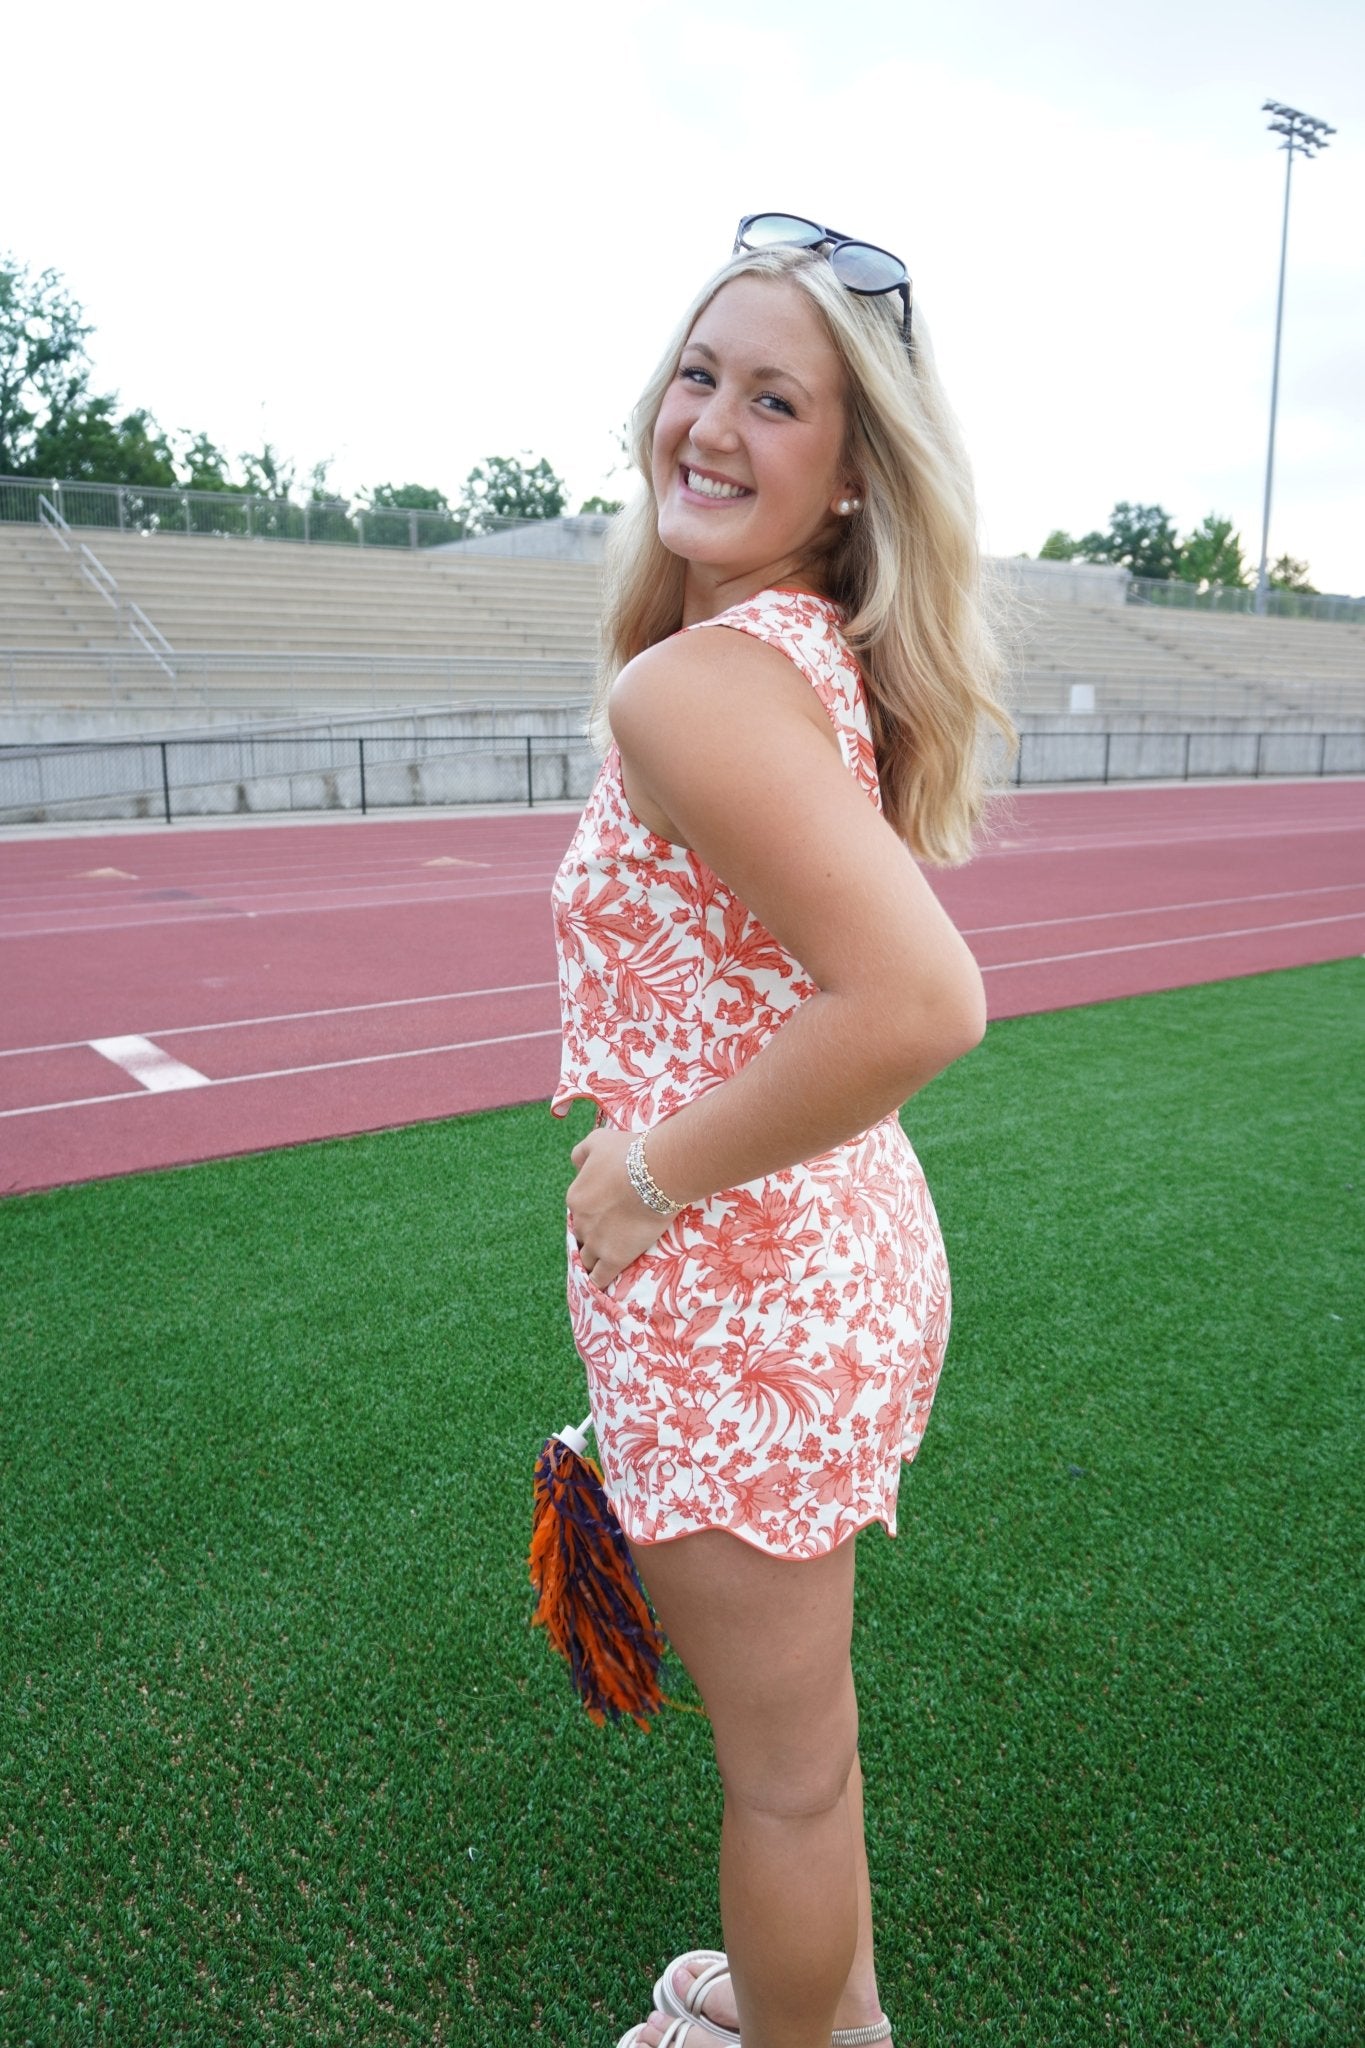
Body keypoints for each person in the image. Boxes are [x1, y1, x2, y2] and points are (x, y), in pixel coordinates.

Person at [550, 213, 1015, 2048]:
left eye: (776, 399)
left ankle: (796, 2030)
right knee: (803, 1758)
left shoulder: (698, 687)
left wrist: (644, 1174)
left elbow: (920, 1003)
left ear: (844, 480)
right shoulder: (805, 655)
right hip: (824, 1259)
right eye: (698, 374)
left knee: (787, 1779)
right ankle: (821, 2005)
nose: (712, 424)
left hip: (742, 1285)